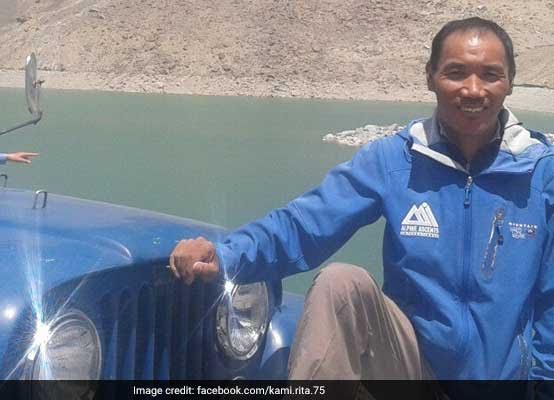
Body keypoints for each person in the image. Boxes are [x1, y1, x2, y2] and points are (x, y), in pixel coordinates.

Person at [168, 17, 554, 382]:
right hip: (410, 369)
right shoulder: (395, 160)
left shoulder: (541, 172)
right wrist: (226, 255)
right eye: (455, 73)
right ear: (430, 77)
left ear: (510, 82)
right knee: (341, 283)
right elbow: (304, 226)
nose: (472, 89)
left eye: (490, 75)